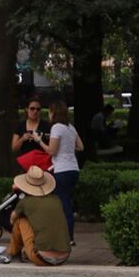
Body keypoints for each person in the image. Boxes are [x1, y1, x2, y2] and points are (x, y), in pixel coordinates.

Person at [6, 166, 71, 266]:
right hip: (64, 256)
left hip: (41, 258)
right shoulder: (56, 199)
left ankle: (14, 254)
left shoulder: (25, 202)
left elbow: (12, 220)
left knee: (20, 221)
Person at [46, 100, 83, 243]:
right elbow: (80, 146)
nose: (48, 115)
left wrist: (39, 140)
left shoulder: (56, 128)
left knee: (63, 203)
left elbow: (51, 151)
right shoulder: (70, 128)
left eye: (49, 111)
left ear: (54, 113)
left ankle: (68, 236)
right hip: (74, 169)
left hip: (62, 170)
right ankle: (68, 235)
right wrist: (67, 148)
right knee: (66, 200)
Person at [11, 97, 53, 171]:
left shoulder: (46, 125)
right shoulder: (21, 125)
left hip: (42, 165)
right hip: (25, 164)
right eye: (32, 108)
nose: (35, 111)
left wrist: (42, 139)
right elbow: (14, 148)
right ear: (27, 109)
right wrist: (22, 139)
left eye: (38, 109)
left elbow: (53, 147)